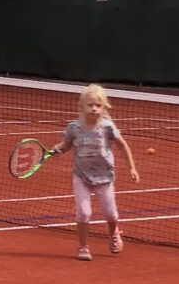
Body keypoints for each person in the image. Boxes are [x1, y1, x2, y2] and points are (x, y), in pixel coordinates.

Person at [59, 83, 140, 262]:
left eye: (98, 105)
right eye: (90, 105)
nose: (94, 108)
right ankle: (83, 247)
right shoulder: (74, 128)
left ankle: (113, 234)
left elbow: (122, 146)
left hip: (105, 177)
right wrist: (57, 149)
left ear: (103, 107)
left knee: (110, 214)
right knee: (83, 212)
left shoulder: (107, 127)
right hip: (81, 176)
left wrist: (132, 167)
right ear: (82, 106)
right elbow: (65, 145)